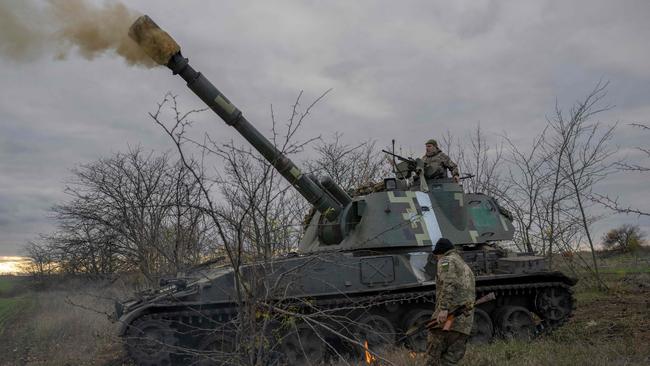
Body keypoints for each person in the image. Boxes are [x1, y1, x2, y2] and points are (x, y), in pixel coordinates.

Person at [426, 238, 476, 366]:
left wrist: (443, 309)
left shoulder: (446, 260)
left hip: (448, 320)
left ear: (440, 252)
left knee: (433, 359)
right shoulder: (464, 265)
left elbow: (448, 282)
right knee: (449, 361)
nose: (437, 258)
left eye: (437, 255)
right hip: (464, 324)